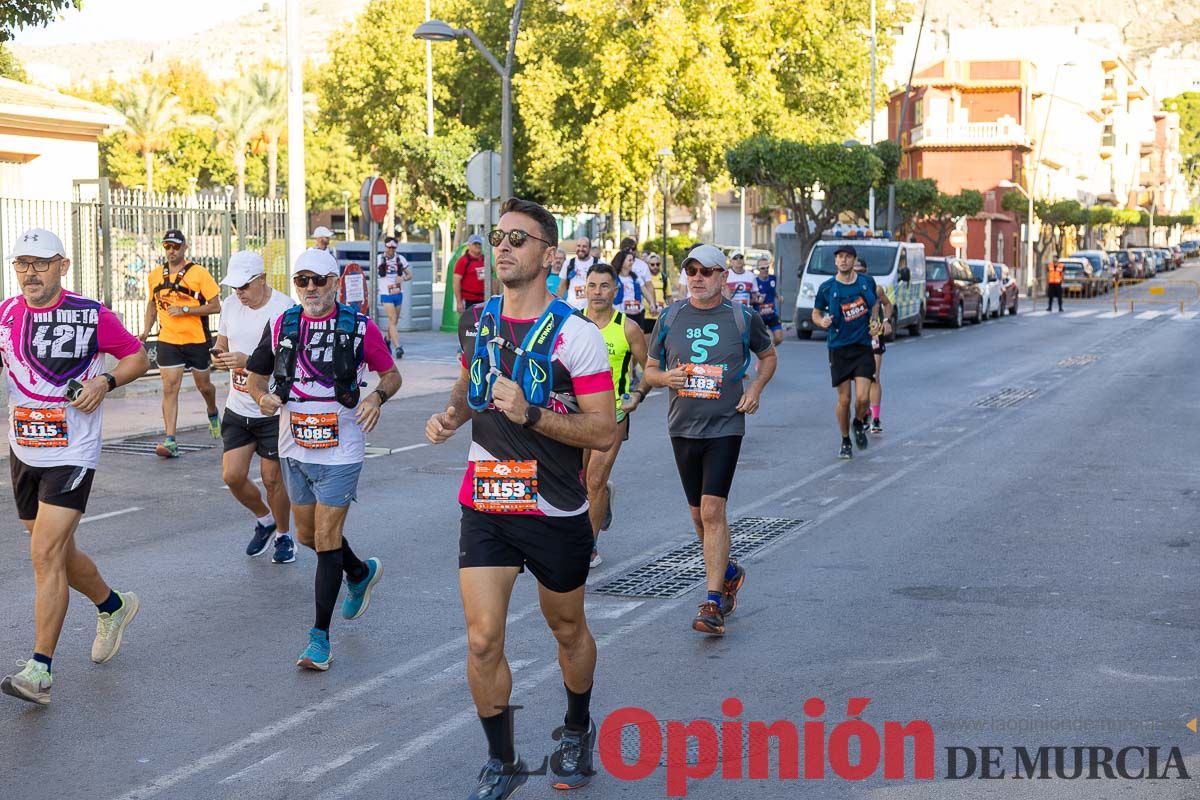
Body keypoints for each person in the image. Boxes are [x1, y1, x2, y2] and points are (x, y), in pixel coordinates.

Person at [425, 197, 616, 798]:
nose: (502, 247)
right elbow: (468, 376)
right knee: (483, 637)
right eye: (498, 236)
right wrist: (453, 414)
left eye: (518, 238)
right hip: (487, 502)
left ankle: (577, 727)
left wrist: (531, 413)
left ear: (549, 255)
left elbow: (603, 430)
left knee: (566, 630)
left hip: (555, 508)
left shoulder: (577, 337)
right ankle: (502, 760)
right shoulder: (481, 321)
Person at [0, 228, 150, 706]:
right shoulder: (5, 314)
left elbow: (138, 356)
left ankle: (39, 671)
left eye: (40, 263)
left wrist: (105, 380)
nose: (30, 272)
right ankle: (113, 604)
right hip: (24, 449)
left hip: (73, 451)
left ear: (63, 266)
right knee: (57, 552)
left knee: (44, 553)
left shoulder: (89, 315)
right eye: (22, 263)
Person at [245, 248, 402, 670]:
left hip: (342, 448)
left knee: (328, 538)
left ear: (335, 282)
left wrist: (377, 398)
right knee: (309, 539)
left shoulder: (358, 327)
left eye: (319, 280)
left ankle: (319, 639)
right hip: (293, 445)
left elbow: (392, 374)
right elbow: (256, 374)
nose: (311, 288)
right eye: (302, 280)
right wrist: (263, 397)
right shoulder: (282, 323)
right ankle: (358, 572)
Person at [644, 244, 777, 636]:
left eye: (706, 271)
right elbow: (650, 370)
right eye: (692, 271)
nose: (698, 278)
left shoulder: (741, 317)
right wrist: (665, 378)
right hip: (682, 427)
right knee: (697, 515)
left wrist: (755, 389)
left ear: (723, 276)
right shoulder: (670, 316)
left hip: (725, 427)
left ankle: (713, 602)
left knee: (713, 511)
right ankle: (729, 571)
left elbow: (768, 357)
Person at [211, 251, 296, 563]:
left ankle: (285, 537)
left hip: (271, 408)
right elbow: (221, 343)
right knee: (232, 476)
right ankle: (265, 520)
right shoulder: (232, 305)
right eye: (235, 288)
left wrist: (250, 363)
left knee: (272, 479)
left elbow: (292, 363)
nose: (239, 294)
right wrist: (218, 355)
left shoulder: (285, 308)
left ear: (262, 279)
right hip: (237, 406)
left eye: (245, 287)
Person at [581, 262, 649, 568]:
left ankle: (588, 548)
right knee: (577, 481)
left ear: (615, 290)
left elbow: (650, 368)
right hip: (574, 415)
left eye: (604, 286)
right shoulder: (571, 322)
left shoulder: (628, 328)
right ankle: (603, 496)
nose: (597, 292)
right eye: (592, 286)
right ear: (584, 287)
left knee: (593, 480)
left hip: (613, 416)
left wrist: (637, 394)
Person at [139, 229, 222, 458]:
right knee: (169, 388)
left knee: (204, 387)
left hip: (196, 340)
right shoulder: (155, 275)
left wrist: (186, 310)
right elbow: (151, 305)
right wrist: (146, 331)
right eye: (167, 246)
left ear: (185, 247)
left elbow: (216, 306)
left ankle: (213, 411)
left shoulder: (199, 273)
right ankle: (170, 440)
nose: (171, 251)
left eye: (176, 246)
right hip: (168, 340)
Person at [812, 245, 882, 459]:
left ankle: (859, 422)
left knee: (862, 398)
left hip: (862, 346)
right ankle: (845, 440)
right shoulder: (827, 287)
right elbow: (816, 312)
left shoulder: (866, 282)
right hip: (838, 348)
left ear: (854, 260)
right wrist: (821, 321)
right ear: (835, 261)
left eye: (848, 257)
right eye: (840, 257)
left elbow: (876, 302)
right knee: (845, 400)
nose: (843, 260)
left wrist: (876, 322)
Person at [853, 260, 894, 434]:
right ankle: (865, 412)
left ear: (867, 271)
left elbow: (888, 304)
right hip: (855, 336)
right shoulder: (848, 290)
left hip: (874, 334)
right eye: (856, 271)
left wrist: (886, 320)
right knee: (860, 379)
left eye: (861, 270)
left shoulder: (876, 289)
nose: (859, 274)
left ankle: (876, 418)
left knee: (874, 376)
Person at [377, 237, 412, 358]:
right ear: (385, 247)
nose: (391, 250)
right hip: (385, 294)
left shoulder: (400, 259)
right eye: (389, 247)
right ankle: (398, 347)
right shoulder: (379, 259)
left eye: (393, 247)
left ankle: (386, 340)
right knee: (392, 319)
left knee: (394, 321)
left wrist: (402, 278)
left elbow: (409, 275)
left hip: (397, 293)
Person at [555, 236, 595, 310]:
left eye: (584, 246)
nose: (581, 249)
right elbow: (561, 287)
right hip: (572, 309)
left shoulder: (597, 263)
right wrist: (557, 307)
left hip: (590, 309)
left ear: (589, 248)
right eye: (578, 246)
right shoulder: (568, 263)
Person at [752, 257, 784, 346]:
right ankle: (766, 355)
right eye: (763, 268)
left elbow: (772, 291)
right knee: (762, 342)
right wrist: (757, 300)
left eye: (767, 267)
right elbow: (751, 298)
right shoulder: (754, 281)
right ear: (758, 269)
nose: (765, 270)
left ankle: (770, 351)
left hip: (772, 314)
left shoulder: (773, 279)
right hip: (760, 316)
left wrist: (778, 296)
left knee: (779, 338)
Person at [454, 234, 488, 313]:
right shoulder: (463, 261)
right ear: (469, 245)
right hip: (469, 301)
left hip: (484, 299)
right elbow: (456, 282)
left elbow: (492, 278)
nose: (477, 246)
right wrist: (459, 302)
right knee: (470, 324)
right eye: (474, 244)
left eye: (479, 244)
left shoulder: (485, 260)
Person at [642, 252, 671, 336]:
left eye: (657, 264)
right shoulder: (644, 278)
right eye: (652, 264)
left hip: (661, 315)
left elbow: (669, 297)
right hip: (647, 315)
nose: (655, 267)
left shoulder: (664, 278)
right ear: (648, 265)